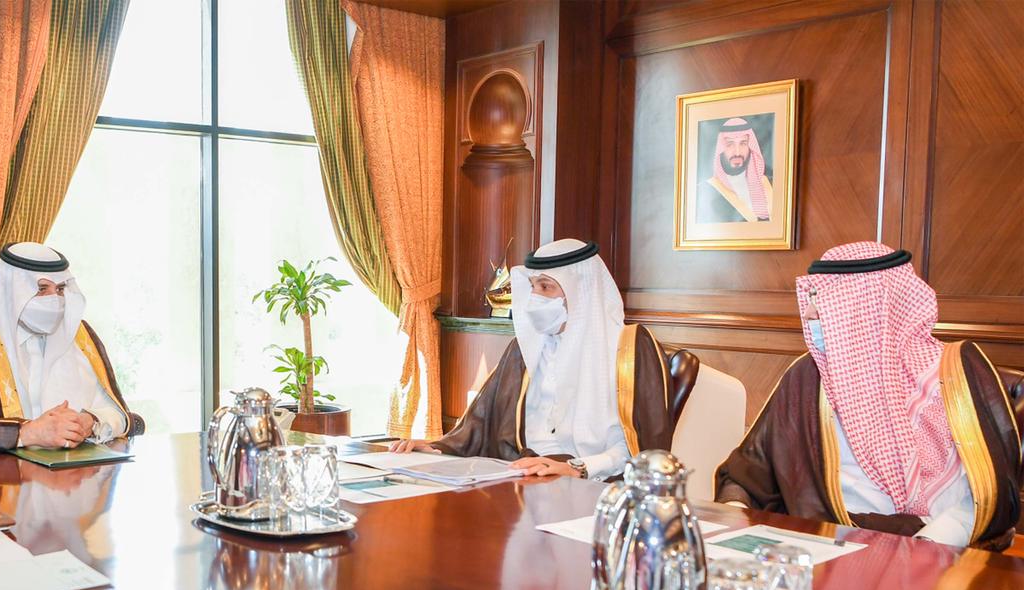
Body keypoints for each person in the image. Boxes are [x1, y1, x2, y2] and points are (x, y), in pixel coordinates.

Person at [715, 242, 1022, 550]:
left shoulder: (957, 373)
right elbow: (749, 473)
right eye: (812, 299)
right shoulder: (807, 377)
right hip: (818, 541)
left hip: (933, 545)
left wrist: (930, 545)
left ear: (868, 307)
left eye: (823, 300)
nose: (808, 314)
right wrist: (734, 516)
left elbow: (989, 492)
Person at [390, 238, 698, 481]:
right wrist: (436, 447)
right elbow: (481, 422)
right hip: (517, 474)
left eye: (546, 287)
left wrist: (576, 468)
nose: (535, 297)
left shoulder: (629, 348)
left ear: (580, 290)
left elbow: (640, 448)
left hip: (590, 485)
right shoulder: (524, 348)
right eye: (533, 286)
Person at [0, 243, 137, 451]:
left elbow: (119, 414)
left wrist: (91, 421)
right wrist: (27, 433)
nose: (55, 299)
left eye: (60, 289)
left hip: (80, 471)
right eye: (42, 289)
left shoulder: (81, 336)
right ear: (10, 291)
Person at [696, 117, 773, 224]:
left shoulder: (771, 184)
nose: (737, 152)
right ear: (721, 149)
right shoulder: (704, 191)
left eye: (743, 143)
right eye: (730, 144)